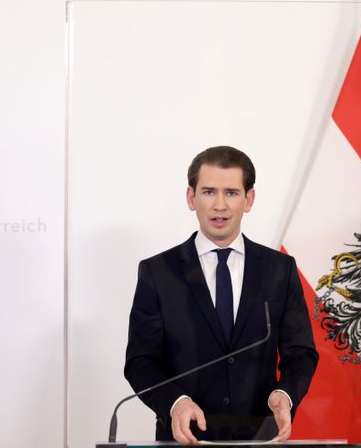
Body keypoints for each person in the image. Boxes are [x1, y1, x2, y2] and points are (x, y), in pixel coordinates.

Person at [124, 145, 318, 443]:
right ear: (191, 198)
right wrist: (175, 403)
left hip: (260, 437)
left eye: (231, 193)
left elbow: (300, 352)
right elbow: (141, 361)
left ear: (248, 199)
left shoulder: (279, 269)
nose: (220, 205)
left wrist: (285, 394)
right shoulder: (158, 272)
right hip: (186, 439)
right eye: (208, 192)